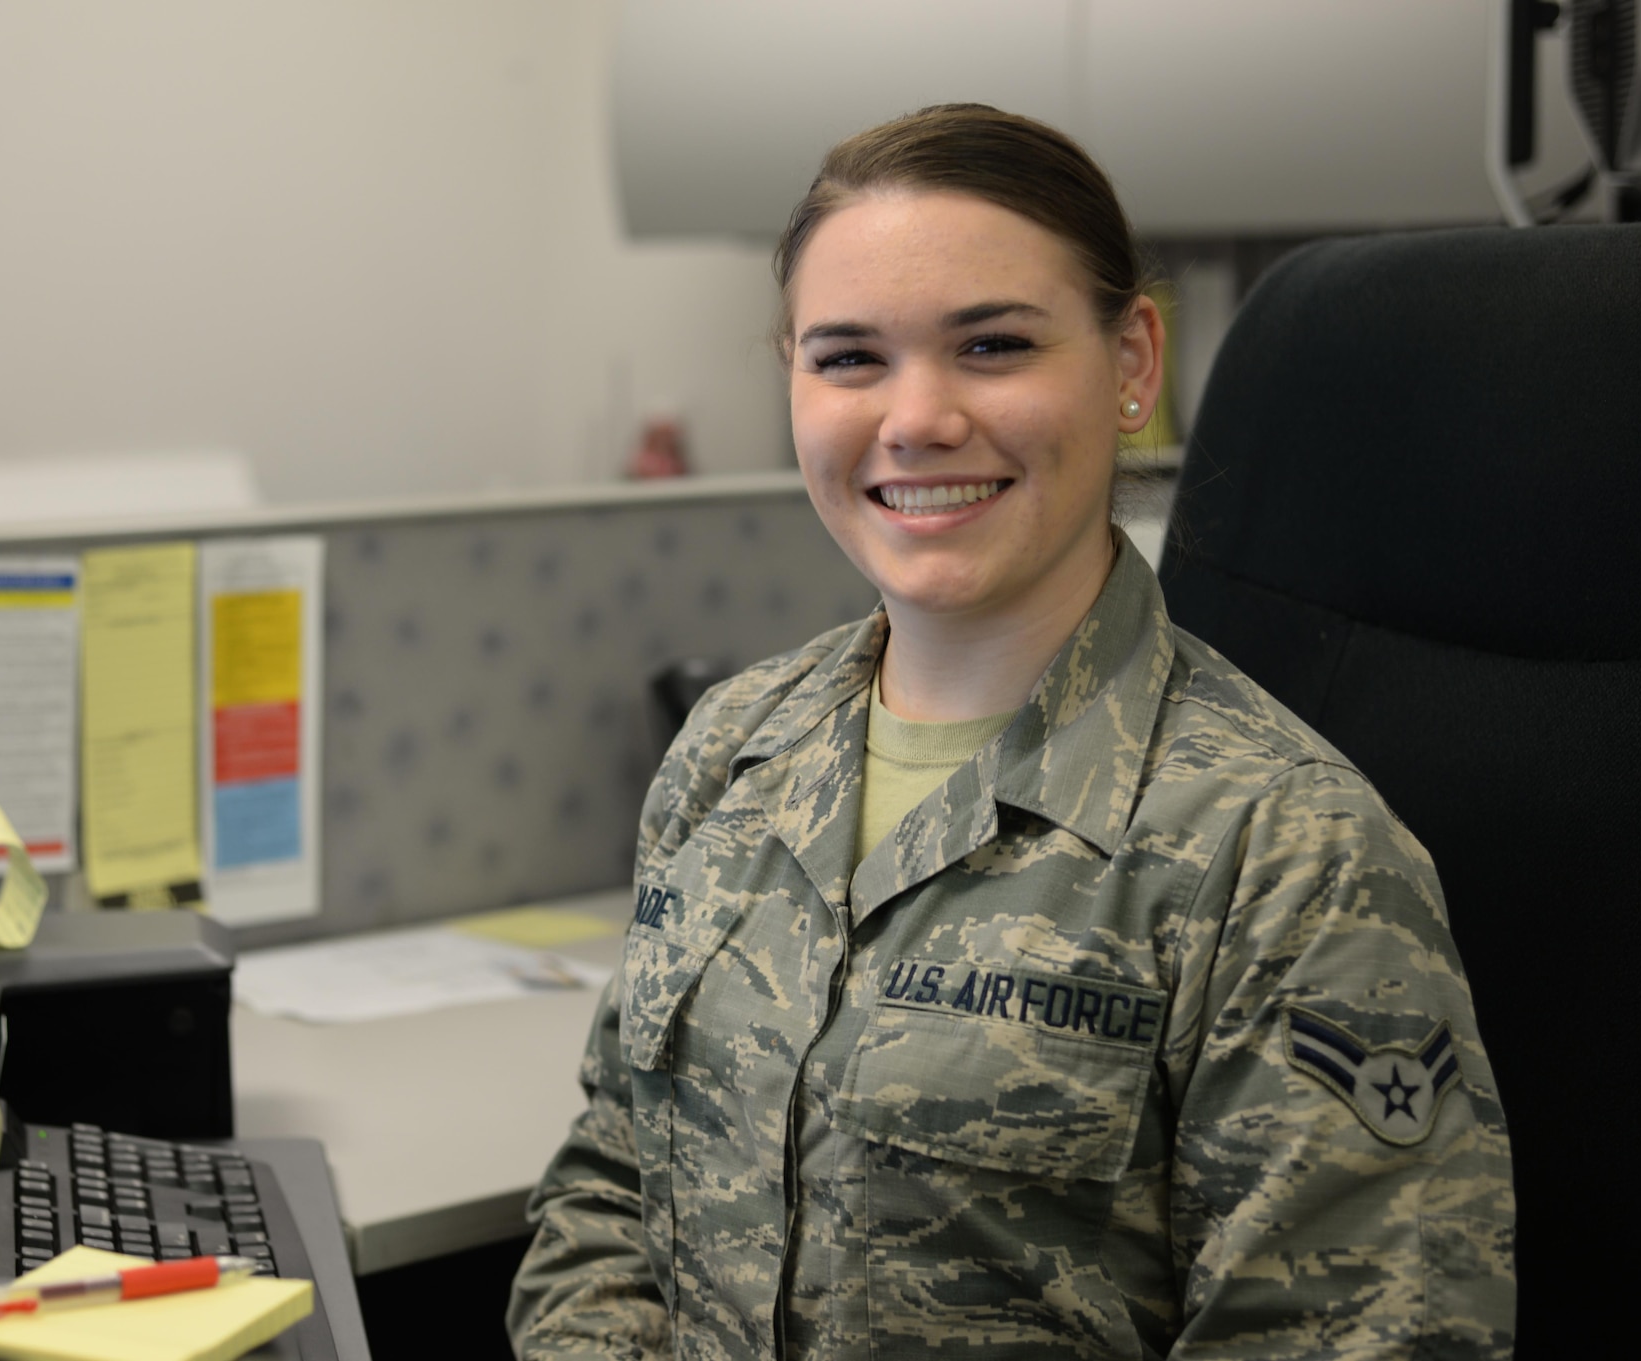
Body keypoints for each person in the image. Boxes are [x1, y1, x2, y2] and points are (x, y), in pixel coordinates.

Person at [507, 104, 1515, 1359]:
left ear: (1132, 359)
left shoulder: (1282, 852)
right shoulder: (729, 751)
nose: (915, 416)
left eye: (990, 344)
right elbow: (610, 1184)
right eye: (847, 357)